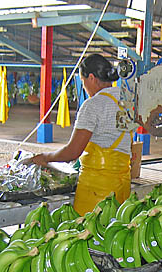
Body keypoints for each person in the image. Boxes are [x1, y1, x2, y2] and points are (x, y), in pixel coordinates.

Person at [25, 54, 131, 215]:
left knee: (89, 233)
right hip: (123, 185)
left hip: (98, 189)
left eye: (82, 82)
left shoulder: (93, 105)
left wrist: (45, 157)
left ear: (91, 78)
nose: (84, 87)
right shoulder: (126, 100)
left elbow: (73, 152)